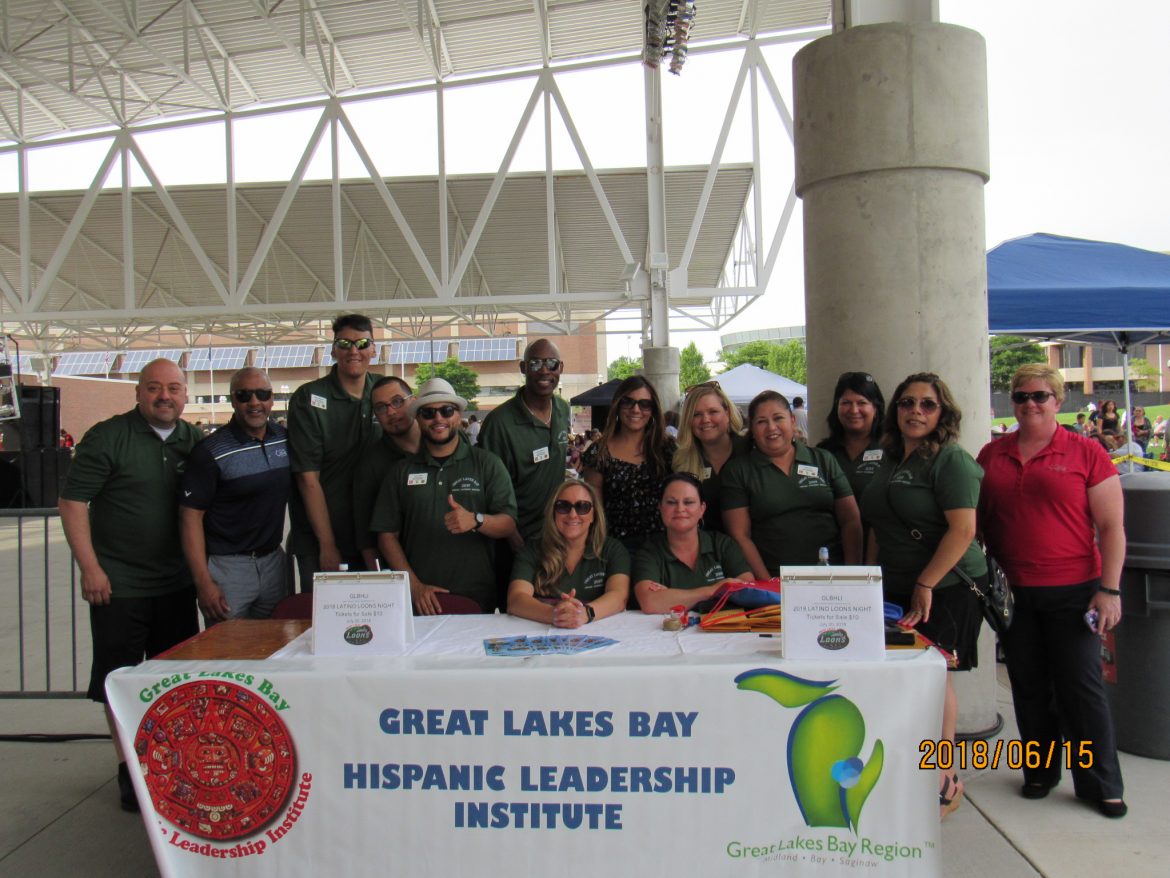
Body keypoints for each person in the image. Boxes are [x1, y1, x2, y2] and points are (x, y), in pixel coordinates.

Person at [977, 363, 1126, 819]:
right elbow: (977, 524)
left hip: (1076, 591)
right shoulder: (991, 455)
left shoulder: (1086, 453)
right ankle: (1040, 773)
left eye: (1040, 396)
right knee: (1029, 686)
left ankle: (1101, 783)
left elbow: (1112, 527)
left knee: (1081, 689)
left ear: (1058, 402)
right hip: (1015, 593)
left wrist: (1110, 590)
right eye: (1021, 396)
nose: (1029, 404)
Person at [58, 358, 201, 812]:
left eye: (174, 388)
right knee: (120, 683)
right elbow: (73, 502)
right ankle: (130, 771)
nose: (165, 396)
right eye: (155, 388)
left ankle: (172, 767)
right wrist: (90, 568)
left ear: (185, 394)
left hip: (175, 586)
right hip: (119, 586)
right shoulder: (108, 437)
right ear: (138, 393)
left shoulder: (193, 441)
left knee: (173, 685)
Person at [859, 372, 986, 818]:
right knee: (904, 675)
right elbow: (879, 522)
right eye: (907, 403)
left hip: (946, 587)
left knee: (936, 675)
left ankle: (944, 775)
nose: (916, 411)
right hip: (894, 583)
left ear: (942, 412)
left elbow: (964, 529)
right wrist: (869, 579)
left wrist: (926, 582)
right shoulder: (888, 458)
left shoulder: (951, 460)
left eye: (927, 405)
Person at [373, 378, 518, 614]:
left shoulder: (487, 464)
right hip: (419, 602)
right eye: (429, 412)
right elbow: (386, 535)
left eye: (446, 410)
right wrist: (415, 586)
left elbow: (508, 523)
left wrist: (476, 520)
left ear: (458, 415)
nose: (438, 418)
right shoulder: (400, 471)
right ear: (418, 419)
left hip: (476, 597)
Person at [179, 367, 291, 624]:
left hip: (273, 561)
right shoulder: (210, 452)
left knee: (273, 649)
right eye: (244, 395)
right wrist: (203, 582)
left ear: (272, 399)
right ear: (232, 399)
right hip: (228, 569)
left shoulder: (284, 440)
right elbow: (189, 518)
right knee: (229, 652)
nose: (254, 402)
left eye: (262, 394)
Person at [722, 391, 862, 579]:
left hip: (831, 578)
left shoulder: (823, 459)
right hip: (776, 580)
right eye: (761, 421)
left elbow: (851, 520)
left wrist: (852, 576)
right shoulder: (738, 471)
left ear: (792, 420)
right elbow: (740, 536)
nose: (771, 427)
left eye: (778, 418)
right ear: (752, 430)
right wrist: (769, 585)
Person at [286, 314, 382, 588]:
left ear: (373, 350)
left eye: (363, 343)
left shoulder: (385, 393)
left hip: (374, 538)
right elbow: (307, 479)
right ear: (333, 349)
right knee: (324, 624)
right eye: (345, 343)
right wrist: (326, 544)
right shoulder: (309, 398)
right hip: (324, 539)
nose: (354, 351)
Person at [478, 339, 571, 547]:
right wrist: (514, 540)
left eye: (552, 363)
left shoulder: (562, 409)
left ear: (561, 368)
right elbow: (489, 490)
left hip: (555, 534)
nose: (545, 370)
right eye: (536, 363)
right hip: (515, 539)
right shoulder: (499, 423)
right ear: (523, 367)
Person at [507, 479, 629, 626]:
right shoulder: (532, 549)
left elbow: (619, 596)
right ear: (553, 513)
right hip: (541, 634)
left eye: (582, 507)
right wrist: (555, 614)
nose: (572, 514)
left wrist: (585, 614)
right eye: (563, 506)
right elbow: (515, 599)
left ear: (594, 515)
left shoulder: (613, 550)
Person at [581, 376, 674, 558]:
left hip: (663, 547)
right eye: (628, 402)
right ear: (617, 405)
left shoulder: (667, 449)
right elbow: (595, 511)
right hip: (617, 550)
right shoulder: (598, 452)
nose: (636, 409)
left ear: (653, 410)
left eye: (644, 404)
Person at [633, 473, 753, 613]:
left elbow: (748, 589)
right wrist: (714, 590)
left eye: (688, 502)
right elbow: (651, 602)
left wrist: (671, 597)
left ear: (702, 509)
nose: (680, 509)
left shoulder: (722, 544)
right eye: (671, 502)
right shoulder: (649, 552)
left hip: (720, 630)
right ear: (660, 507)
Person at [353, 376, 421, 570]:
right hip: (399, 572)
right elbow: (366, 539)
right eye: (381, 408)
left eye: (398, 402)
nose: (391, 412)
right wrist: (380, 582)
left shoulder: (442, 443)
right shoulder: (370, 465)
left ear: (414, 401)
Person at [672, 381, 749, 532]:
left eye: (713, 412)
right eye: (697, 414)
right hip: (707, 550)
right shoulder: (682, 462)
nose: (705, 419)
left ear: (727, 413)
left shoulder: (750, 450)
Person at [816, 371, 887, 500]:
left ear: (876, 409)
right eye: (846, 403)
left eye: (862, 403)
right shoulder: (823, 452)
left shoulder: (892, 449)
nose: (854, 410)